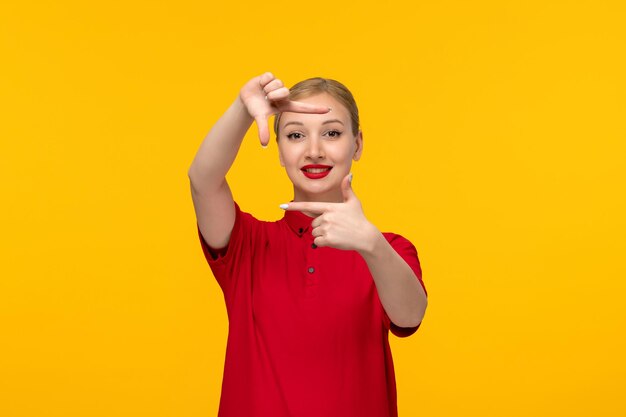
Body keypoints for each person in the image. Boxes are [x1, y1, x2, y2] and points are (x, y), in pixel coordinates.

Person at [188, 72, 428, 417]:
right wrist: (243, 109)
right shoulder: (249, 245)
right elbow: (202, 179)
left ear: (357, 144)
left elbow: (411, 315)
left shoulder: (388, 249)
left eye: (332, 133)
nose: (314, 150)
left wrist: (372, 245)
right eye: (296, 135)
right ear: (280, 151)